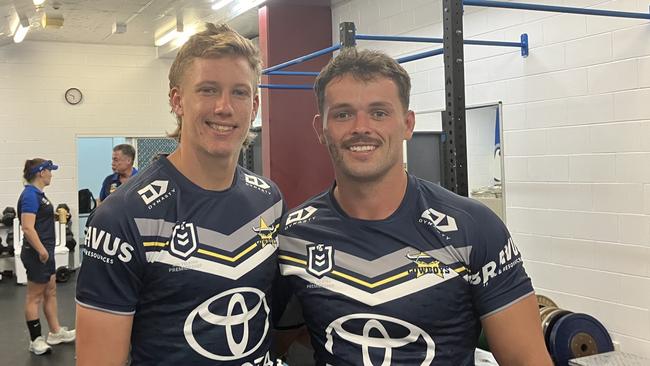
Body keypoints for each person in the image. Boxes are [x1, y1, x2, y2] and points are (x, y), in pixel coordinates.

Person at [277, 49, 553, 365]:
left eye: (379, 113)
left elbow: (528, 360)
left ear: (408, 124)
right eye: (342, 114)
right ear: (320, 129)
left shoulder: (473, 228)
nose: (361, 127)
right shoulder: (294, 235)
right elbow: (279, 343)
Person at [75, 23, 284, 365]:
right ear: (177, 101)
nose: (224, 107)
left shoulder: (269, 201)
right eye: (208, 90)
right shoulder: (122, 216)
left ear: (255, 105)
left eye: (240, 93)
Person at [18, 158, 76, 355]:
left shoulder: (39, 194)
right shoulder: (30, 195)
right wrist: (42, 250)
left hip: (46, 253)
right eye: (49, 171)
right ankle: (35, 340)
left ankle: (55, 332)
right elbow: (27, 227)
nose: (51, 174)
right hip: (37, 254)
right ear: (41, 172)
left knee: (50, 291)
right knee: (34, 297)